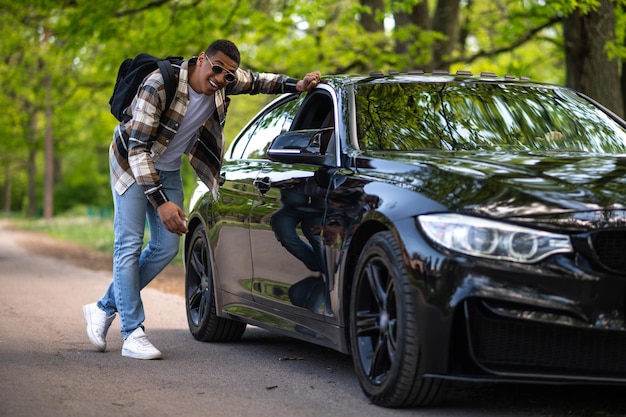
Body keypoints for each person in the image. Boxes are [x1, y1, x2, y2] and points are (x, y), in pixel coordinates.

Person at [82, 39, 322, 360]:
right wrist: (161, 202)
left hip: (166, 167)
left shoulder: (227, 82)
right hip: (131, 162)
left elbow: (261, 81)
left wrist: (299, 84)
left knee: (166, 247)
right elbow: (138, 149)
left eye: (227, 74)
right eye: (217, 69)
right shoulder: (159, 84)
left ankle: (102, 307)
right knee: (128, 243)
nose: (220, 78)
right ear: (201, 60)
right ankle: (131, 332)